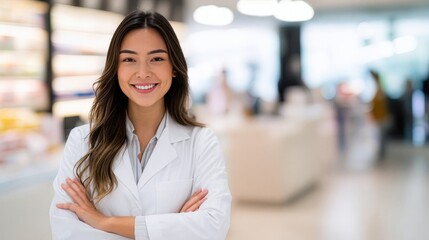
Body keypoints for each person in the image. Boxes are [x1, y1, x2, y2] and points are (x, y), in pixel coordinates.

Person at [49, 10, 231, 240]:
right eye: (129, 59)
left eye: (156, 59)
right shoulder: (82, 141)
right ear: (116, 69)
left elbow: (214, 226)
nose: (143, 73)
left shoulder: (201, 141)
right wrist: (172, 227)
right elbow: (66, 232)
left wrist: (104, 222)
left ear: (173, 67)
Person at [369, 69, 390, 160]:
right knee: (380, 136)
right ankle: (381, 153)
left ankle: (382, 154)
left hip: (381, 118)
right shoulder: (378, 90)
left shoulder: (380, 90)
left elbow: (380, 105)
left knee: (381, 136)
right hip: (379, 117)